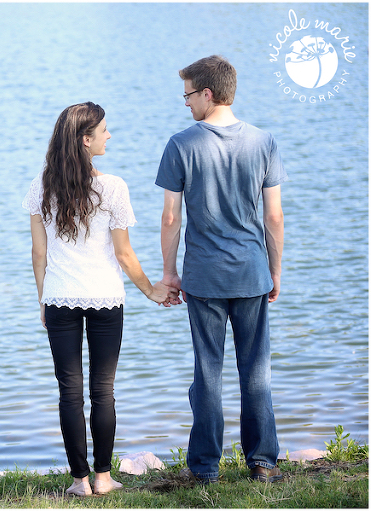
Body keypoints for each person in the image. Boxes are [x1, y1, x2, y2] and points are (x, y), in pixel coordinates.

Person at [23, 102, 177, 497]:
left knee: (69, 391)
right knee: (102, 390)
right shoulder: (113, 187)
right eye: (104, 130)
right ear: (85, 139)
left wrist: (43, 298)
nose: (110, 136)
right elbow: (124, 254)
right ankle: (104, 478)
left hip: (59, 298)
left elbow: (39, 254)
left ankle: (79, 482)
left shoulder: (42, 186)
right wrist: (152, 290)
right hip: (106, 298)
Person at [156, 55, 287, 485]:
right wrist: (275, 270)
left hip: (205, 277)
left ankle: (205, 468)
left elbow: (171, 218)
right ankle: (263, 462)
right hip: (252, 273)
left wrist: (169, 272)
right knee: (256, 371)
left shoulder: (181, 144)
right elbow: (274, 218)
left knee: (207, 371)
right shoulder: (263, 142)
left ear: (207, 93)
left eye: (189, 94)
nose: (186, 103)